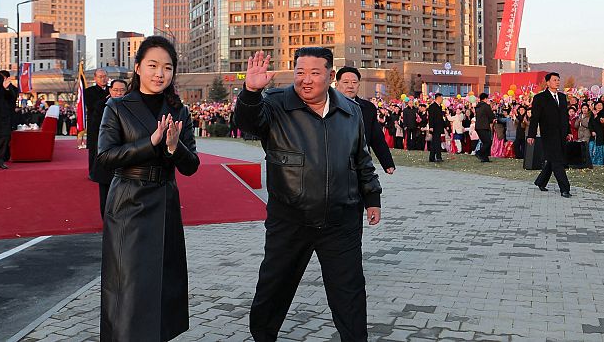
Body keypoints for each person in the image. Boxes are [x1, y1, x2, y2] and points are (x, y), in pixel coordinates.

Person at [234, 47, 382, 342]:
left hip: (341, 220)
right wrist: (250, 92)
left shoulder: (350, 111)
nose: (306, 79)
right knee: (273, 289)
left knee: (350, 293)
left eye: (315, 73)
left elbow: (361, 159)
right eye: (300, 72)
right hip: (290, 219)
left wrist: (372, 197)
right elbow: (247, 123)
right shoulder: (276, 103)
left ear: (330, 75)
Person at [97, 36, 200, 341]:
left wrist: (175, 147)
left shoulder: (179, 110)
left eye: (167, 67)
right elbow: (105, 157)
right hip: (128, 202)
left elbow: (191, 166)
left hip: (165, 201)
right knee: (127, 286)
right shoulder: (117, 106)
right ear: (138, 67)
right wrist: (151, 143)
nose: (160, 73)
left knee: (163, 283)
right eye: (153, 65)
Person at [334, 66, 396, 174]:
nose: (350, 86)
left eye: (354, 82)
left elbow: (376, 137)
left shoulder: (368, 108)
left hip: (361, 164)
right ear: (336, 84)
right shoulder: (327, 106)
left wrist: (387, 163)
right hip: (334, 163)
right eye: (345, 82)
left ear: (359, 85)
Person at [527, 73, 573, 197]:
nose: (557, 82)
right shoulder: (540, 98)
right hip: (548, 134)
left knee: (552, 160)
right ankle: (565, 189)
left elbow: (565, 116)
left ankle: (541, 182)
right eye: (554, 80)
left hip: (561, 134)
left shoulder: (562, 97)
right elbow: (535, 118)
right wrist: (531, 135)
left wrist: (568, 131)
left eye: (558, 80)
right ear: (547, 82)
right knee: (557, 160)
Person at [84, 68, 111, 218]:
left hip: (110, 123)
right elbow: (92, 106)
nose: (103, 79)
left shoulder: (111, 89)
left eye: (105, 76)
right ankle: (92, 171)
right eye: (100, 77)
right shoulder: (90, 91)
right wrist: (106, 97)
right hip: (96, 124)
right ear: (95, 78)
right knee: (94, 148)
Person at [474, 93, 495, 163]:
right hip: (484, 127)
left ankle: (485, 158)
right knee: (488, 142)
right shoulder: (486, 106)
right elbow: (491, 115)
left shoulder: (478, 106)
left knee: (485, 142)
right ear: (485, 99)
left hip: (478, 127)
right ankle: (479, 153)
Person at [427, 93, 446, 162]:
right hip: (434, 127)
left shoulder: (439, 106)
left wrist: (445, 125)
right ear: (438, 98)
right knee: (436, 142)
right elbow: (431, 117)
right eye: (441, 98)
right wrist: (431, 126)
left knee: (436, 142)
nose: (442, 99)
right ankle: (437, 157)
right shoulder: (432, 106)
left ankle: (434, 157)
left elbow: (440, 118)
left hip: (439, 127)